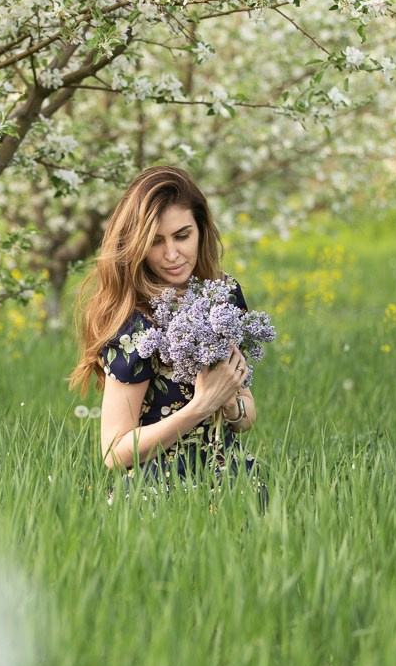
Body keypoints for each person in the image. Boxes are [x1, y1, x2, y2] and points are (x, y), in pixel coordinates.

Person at [70, 165, 266, 502]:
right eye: (155, 241)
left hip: (235, 484)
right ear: (136, 244)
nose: (172, 255)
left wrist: (230, 404)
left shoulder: (222, 295)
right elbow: (114, 451)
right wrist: (201, 406)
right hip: (159, 491)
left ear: (201, 229)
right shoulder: (134, 323)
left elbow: (247, 414)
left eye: (182, 235)